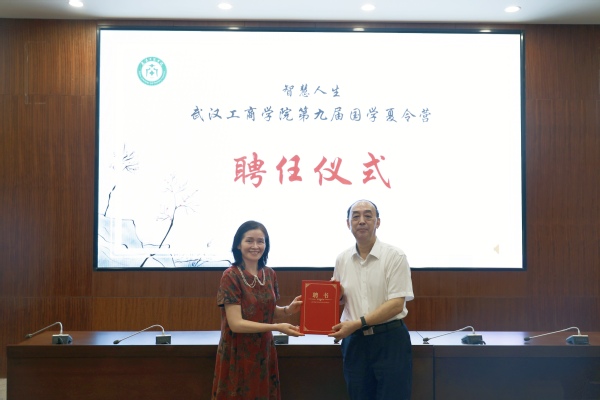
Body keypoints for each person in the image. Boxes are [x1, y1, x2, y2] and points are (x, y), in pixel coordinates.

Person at [329, 200, 414, 400]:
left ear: (378, 222)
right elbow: (341, 297)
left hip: (390, 340)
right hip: (355, 342)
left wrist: (358, 323)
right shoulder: (342, 259)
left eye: (368, 216)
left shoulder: (395, 256)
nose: (361, 221)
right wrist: (334, 295)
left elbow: (396, 304)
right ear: (348, 223)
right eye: (355, 216)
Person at [212, 220, 303, 400]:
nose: (255, 246)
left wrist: (287, 310)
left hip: (264, 351)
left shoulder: (269, 274)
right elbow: (236, 324)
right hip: (238, 352)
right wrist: (276, 327)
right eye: (249, 241)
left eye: (260, 241)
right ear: (238, 244)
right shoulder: (230, 276)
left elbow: (266, 311)